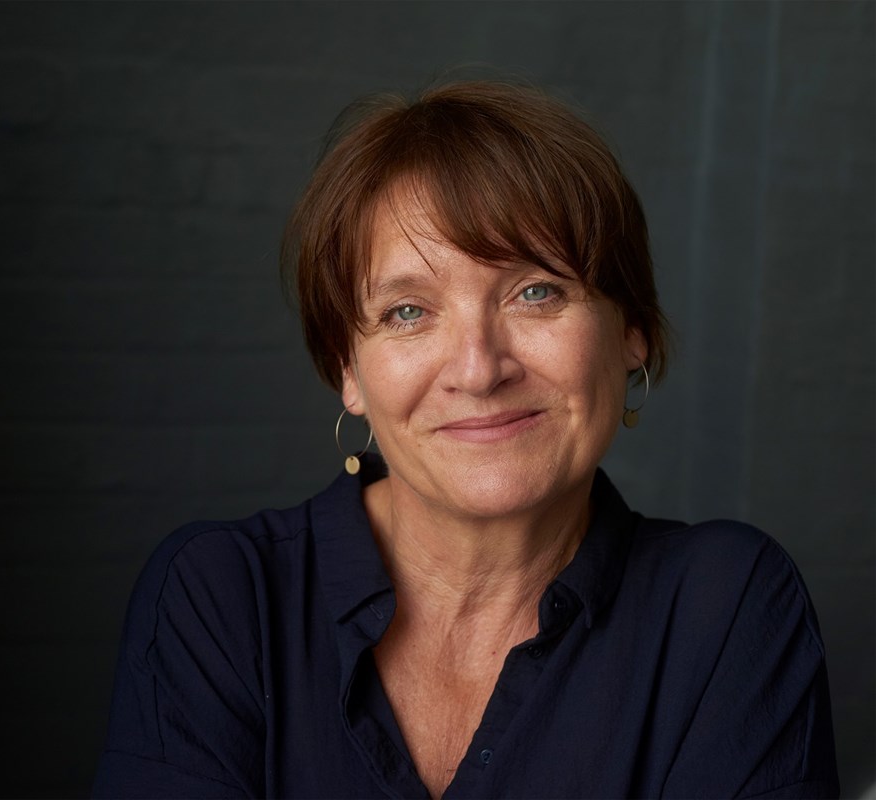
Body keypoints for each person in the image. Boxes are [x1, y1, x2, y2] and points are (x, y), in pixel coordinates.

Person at [91, 82, 839, 799]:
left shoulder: (724, 608)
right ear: (348, 368)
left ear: (630, 332)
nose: (479, 370)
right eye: (408, 312)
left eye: (536, 292)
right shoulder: (222, 599)